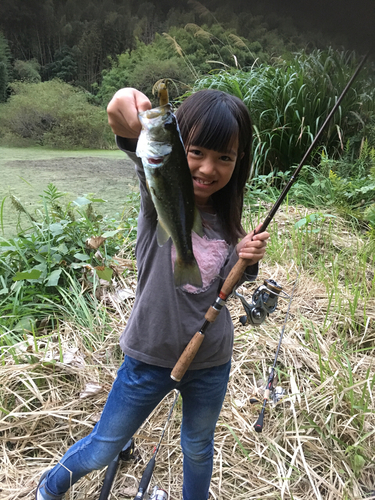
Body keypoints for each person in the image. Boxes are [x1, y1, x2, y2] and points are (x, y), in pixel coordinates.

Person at [35, 88, 270, 500]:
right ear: (177, 149)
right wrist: (132, 107)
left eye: (225, 158)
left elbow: (230, 284)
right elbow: (119, 116)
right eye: (195, 151)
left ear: (240, 162)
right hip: (148, 356)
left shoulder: (230, 223)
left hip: (211, 359)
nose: (208, 168)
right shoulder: (156, 190)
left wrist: (247, 259)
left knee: (198, 448)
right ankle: (49, 488)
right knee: (104, 446)